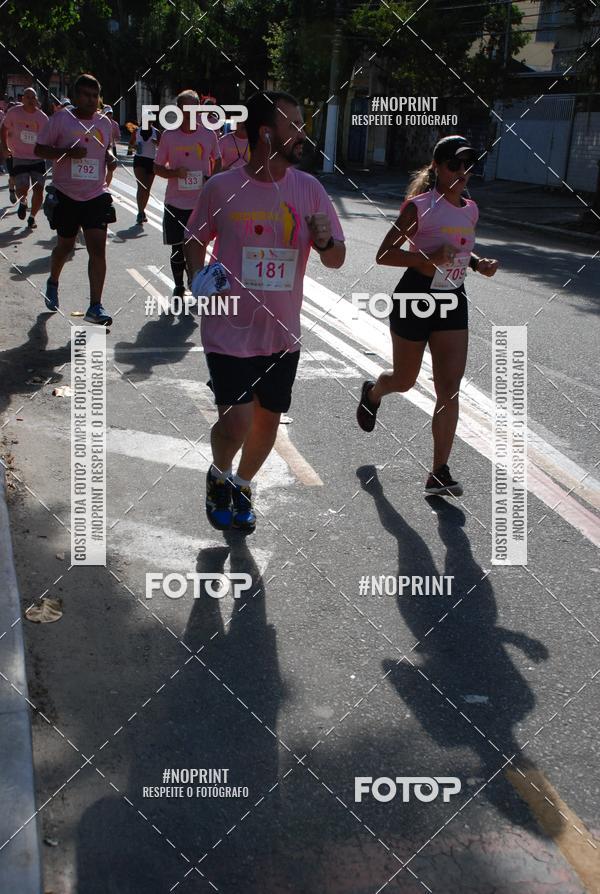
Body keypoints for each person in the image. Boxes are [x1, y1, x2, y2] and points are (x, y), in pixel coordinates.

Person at [185, 90, 346, 534]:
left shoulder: (308, 189)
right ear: (265, 131)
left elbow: (336, 259)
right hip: (228, 325)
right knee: (236, 420)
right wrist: (200, 282)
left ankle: (242, 484)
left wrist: (327, 240)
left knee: (268, 421)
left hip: (280, 332)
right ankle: (219, 475)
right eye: (292, 124)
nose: (301, 133)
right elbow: (194, 239)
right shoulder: (222, 187)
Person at [356, 135, 499, 497]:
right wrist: (427, 258)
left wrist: (479, 264)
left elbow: (463, 248)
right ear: (437, 167)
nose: (463, 171)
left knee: (448, 390)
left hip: (452, 299)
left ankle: (439, 472)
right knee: (404, 380)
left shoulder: (471, 208)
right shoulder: (418, 207)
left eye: (468, 164)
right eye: (455, 164)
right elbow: (384, 254)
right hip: (415, 297)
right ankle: (374, 392)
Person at [35, 73, 116, 324]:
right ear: (75, 96)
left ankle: (95, 306)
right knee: (65, 247)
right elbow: (39, 149)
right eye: (86, 95)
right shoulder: (60, 120)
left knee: (97, 249)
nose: (92, 100)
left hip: (96, 194)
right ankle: (53, 280)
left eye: (95, 96)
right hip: (66, 194)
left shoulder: (103, 123)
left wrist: (110, 156)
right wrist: (66, 153)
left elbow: (106, 147)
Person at [154, 89, 222, 299]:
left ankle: (195, 283)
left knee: (196, 246)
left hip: (200, 204)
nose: (190, 112)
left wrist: (211, 180)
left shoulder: (208, 134)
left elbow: (218, 160)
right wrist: (174, 173)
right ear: (179, 110)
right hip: (175, 202)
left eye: (194, 108)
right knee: (177, 247)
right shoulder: (169, 136)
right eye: (186, 108)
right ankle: (178, 285)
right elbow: (157, 167)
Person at [0, 88, 48, 227]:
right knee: (23, 187)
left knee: (39, 189)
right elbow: (3, 129)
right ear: (22, 99)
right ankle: (23, 201)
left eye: (33, 97)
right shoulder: (14, 113)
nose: (30, 100)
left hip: (38, 158)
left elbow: (49, 136)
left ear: (37, 100)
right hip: (19, 156)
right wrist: (4, 146)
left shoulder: (42, 117)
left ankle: (32, 217)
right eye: (27, 97)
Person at [128, 123, 160, 223]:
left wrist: (157, 143)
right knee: (142, 186)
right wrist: (134, 147)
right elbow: (130, 146)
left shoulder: (156, 132)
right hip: (139, 161)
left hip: (152, 162)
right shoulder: (137, 131)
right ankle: (140, 212)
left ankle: (143, 211)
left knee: (147, 189)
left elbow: (163, 147)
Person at [102, 105, 121, 186]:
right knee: (101, 167)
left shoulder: (115, 124)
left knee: (111, 168)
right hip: (101, 147)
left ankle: (106, 186)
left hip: (111, 148)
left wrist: (114, 137)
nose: (109, 115)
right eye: (107, 113)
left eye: (110, 113)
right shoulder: (99, 122)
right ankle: (100, 185)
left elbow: (118, 137)